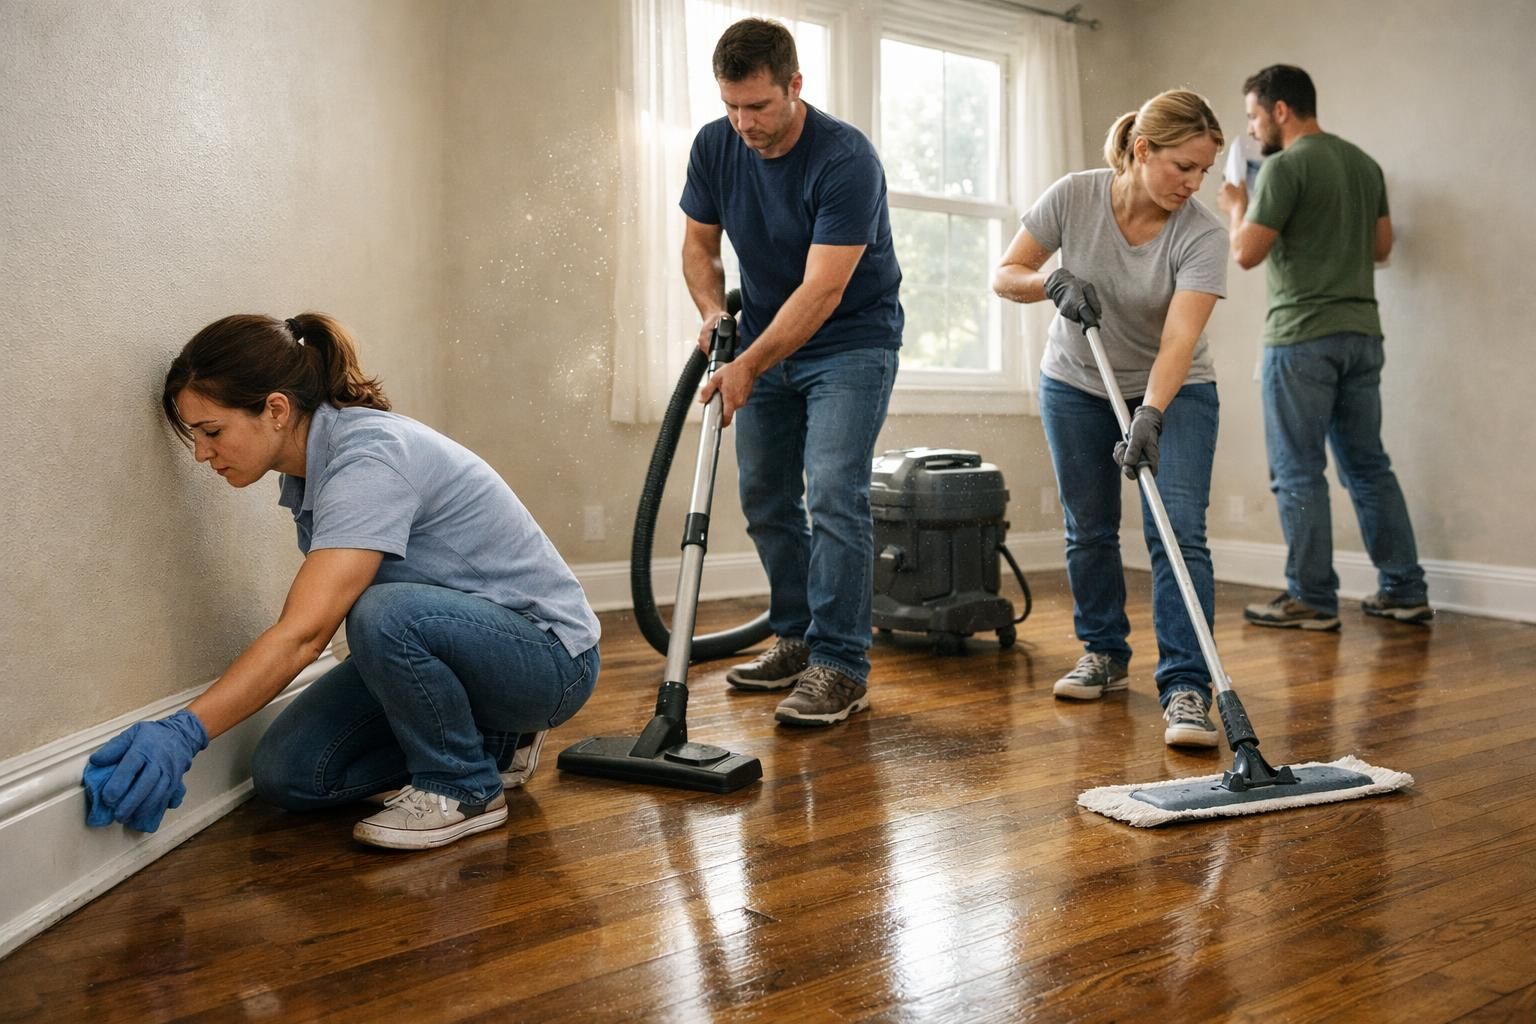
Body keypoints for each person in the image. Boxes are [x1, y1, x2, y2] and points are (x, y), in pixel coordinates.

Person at [82, 313, 601, 850]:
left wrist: (184, 732)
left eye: (212, 431)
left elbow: (304, 634)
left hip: (549, 660)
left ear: (276, 409)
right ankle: (491, 745)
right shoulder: (308, 471)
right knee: (290, 772)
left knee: (382, 613)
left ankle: (463, 787)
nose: (201, 452)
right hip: (463, 646)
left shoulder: (368, 459)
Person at [680, 18, 902, 727]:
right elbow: (697, 244)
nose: (744, 123)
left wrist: (749, 361)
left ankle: (840, 665)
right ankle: (796, 638)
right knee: (766, 496)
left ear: (794, 86)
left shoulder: (845, 159)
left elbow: (823, 291)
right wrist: (715, 311)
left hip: (850, 343)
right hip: (765, 338)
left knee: (834, 492)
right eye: (732, 106)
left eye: (759, 106)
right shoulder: (716, 146)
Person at [993, 90, 1229, 749]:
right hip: (1075, 383)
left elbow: (1179, 341)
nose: (1194, 183)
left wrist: (1151, 413)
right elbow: (1006, 273)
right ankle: (1103, 653)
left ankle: (1186, 687)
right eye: (1183, 166)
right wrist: (1052, 283)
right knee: (1090, 528)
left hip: (1174, 392)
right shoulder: (1074, 196)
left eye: (1204, 171)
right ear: (1142, 149)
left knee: (1178, 534)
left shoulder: (1203, 234)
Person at [1219, 65, 1432, 631]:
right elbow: (1382, 246)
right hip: (1362, 335)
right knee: (1368, 466)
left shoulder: (1285, 167)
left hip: (1301, 340)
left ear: (1280, 110)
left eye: (1253, 115)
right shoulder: (1364, 164)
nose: (1253, 126)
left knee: (1297, 472)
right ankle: (1404, 590)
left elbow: (1246, 254)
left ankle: (1311, 598)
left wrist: (1237, 204)